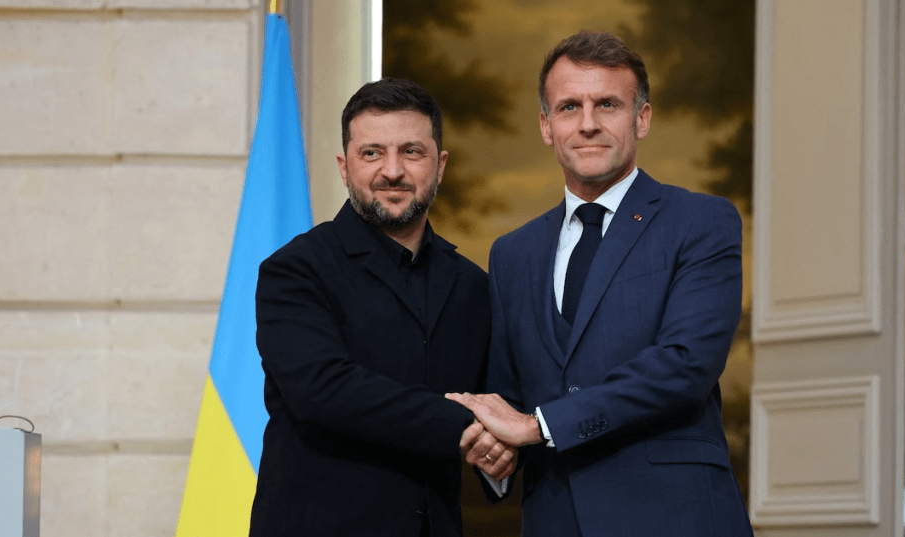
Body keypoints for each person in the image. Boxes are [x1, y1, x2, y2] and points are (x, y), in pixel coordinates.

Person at [447, 31, 754, 536]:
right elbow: (509, 396)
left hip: (676, 518)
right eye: (569, 107)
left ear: (642, 117)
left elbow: (685, 364)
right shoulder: (512, 254)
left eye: (607, 104)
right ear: (547, 126)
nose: (587, 124)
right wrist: (494, 452)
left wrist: (537, 426)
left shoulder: (701, 221)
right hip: (555, 518)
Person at [248, 78, 514, 537]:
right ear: (344, 167)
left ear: (440, 164)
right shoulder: (294, 270)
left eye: (412, 152)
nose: (392, 171)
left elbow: (502, 401)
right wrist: (471, 424)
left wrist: (506, 447)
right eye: (372, 153)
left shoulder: (473, 287)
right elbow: (324, 390)